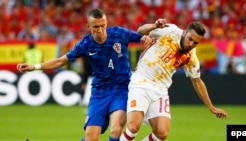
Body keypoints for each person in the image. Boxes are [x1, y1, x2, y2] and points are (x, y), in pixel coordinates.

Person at [16, 8, 165, 141]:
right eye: (95, 27)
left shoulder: (119, 34)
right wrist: (34, 67)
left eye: (103, 26)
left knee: (116, 128)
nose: (100, 30)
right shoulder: (85, 44)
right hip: (99, 92)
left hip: (122, 88)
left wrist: (152, 28)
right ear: (89, 27)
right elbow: (61, 61)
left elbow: (141, 32)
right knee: (91, 137)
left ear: (106, 23)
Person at [120, 21, 227, 141]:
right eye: (190, 39)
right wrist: (155, 26)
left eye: (195, 43)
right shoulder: (170, 31)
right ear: (185, 32)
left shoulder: (191, 57)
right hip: (141, 82)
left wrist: (211, 107)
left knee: (162, 133)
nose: (191, 44)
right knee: (133, 127)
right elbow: (140, 30)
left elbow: (197, 81)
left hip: (160, 91)